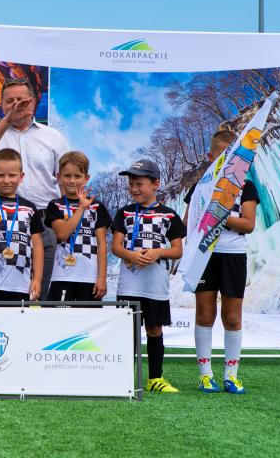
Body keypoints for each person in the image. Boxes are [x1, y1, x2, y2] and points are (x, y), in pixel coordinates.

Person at [0, 78, 68, 299]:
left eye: (20, 100)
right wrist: (8, 119)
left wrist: (65, 219)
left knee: (43, 290)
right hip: (1, 221)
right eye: (10, 101)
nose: (15, 105)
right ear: (1, 104)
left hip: (44, 220)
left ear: (32, 102)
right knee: (3, 288)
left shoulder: (53, 136)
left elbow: (64, 180)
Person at [184, 130, 259, 395]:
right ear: (210, 157)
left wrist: (219, 215)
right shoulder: (201, 187)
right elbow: (188, 222)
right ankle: (205, 375)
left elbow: (248, 224)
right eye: (221, 156)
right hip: (205, 254)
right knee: (205, 314)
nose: (227, 161)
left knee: (232, 316)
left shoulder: (246, 186)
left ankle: (231, 376)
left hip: (234, 256)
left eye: (232, 155)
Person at [110, 159, 185, 394]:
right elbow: (115, 247)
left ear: (156, 184)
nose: (134, 189)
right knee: (127, 332)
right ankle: (122, 378)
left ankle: (155, 379)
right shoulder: (124, 213)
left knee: (154, 330)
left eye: (139, 183)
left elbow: (177, 250)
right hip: (128, 286)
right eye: (131, 184)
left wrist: (158, 252)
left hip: (155, 286)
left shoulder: (169, 215)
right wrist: (131, 255)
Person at [0, 149, 45, 302]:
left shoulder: (29, 207)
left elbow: (37, 246)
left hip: (21, 285)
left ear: (21, 176)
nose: (6, 180)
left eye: (12, 175)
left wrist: (37, 279)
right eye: (0, 175)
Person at [45, 151, 111, 302]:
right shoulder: (55, 205)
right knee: (58, 317)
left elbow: (101, 244)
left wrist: (102, 277)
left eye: (77, 176)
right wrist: (81, 208)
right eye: (67, 176)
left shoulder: (97, 207)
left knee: (88, 317)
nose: (72, 181)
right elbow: (62, 234)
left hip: (90, 278)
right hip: (62, 276)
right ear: (59, 176)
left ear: (86, 178)